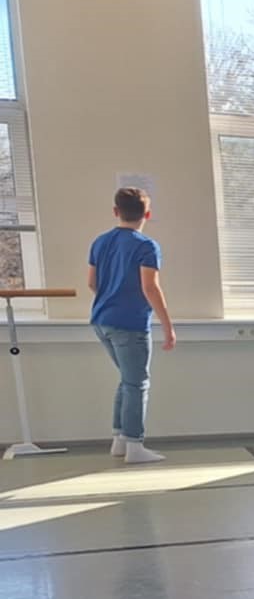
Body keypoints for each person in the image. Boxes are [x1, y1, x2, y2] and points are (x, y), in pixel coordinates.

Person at [87, 186, 176, 465]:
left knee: (127, 380)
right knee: (138, 383)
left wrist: (111, 298)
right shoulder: (146, 246)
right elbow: (150, 287)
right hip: (130, 323)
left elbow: (92, 283)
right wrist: (168, 326)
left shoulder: (100, 242)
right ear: (147, 214)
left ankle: (120, 441)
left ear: (116, 211)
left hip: (102, 320)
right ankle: (135, 445)